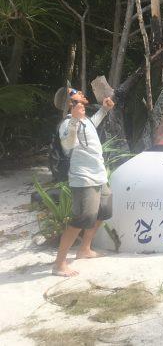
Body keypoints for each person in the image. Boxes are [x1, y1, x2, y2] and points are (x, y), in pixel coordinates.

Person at [51, 86, 115, 277]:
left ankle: (84, 249)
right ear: (70, 103)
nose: (81, 93)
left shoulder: (85, 119)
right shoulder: (67, 123)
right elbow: (68, 146)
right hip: (84, 178)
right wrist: (74, 121)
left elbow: (92, 124)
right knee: (82, 219)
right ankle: (59, 264)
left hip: (100, 175)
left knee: (104, 211)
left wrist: (104, 109)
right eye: (76, 93)